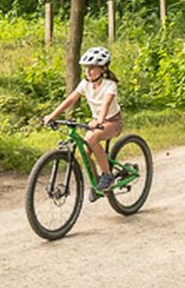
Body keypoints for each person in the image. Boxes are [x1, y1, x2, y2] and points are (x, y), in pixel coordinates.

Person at [44, 46, 130, 192]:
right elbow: (70, 100)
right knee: (84, 152)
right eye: (86, 68)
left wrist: (99, 121)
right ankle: (97, 186)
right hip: (97, 121)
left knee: (92, 139)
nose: (88, 71)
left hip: (112, 122)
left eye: (92, 68)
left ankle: (107, 175)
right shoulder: (85, 84)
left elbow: (106, 104)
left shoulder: (110, 85)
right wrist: (52, 115)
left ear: (103, 69)